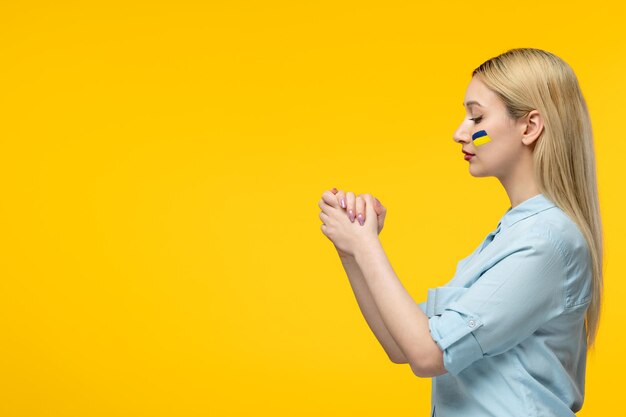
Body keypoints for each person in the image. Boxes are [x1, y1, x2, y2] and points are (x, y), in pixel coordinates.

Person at [318, 47, 603, 416]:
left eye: (476, 117)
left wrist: (366, 245)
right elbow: (401, 346)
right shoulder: (512, 236)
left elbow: (427, 353)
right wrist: (353, 251)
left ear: (530, 127)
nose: (460, 133)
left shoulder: (546, 242)